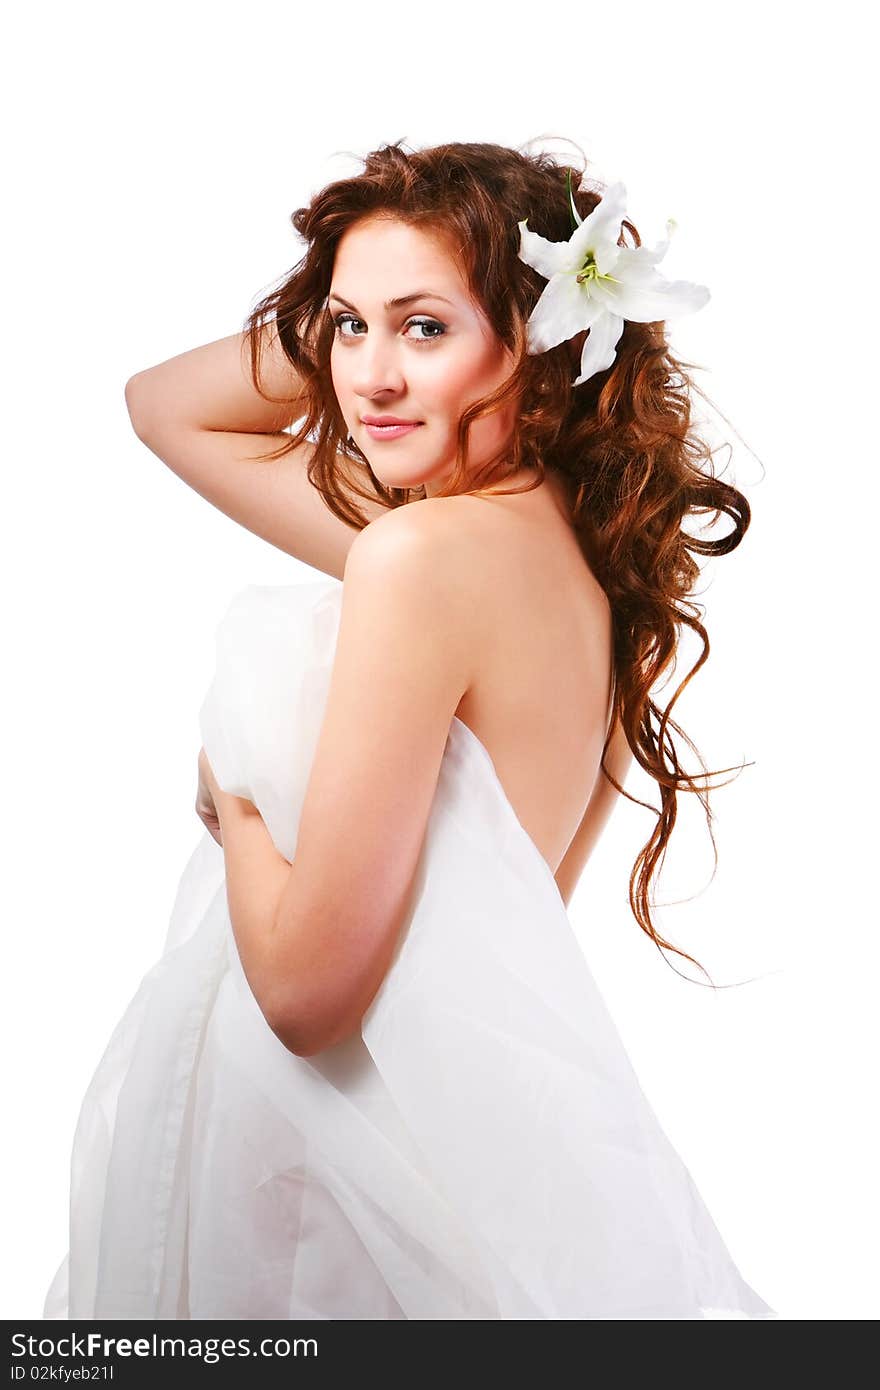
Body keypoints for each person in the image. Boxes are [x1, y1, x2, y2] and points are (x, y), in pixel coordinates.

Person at [42, 138, 775, 1319]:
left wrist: (232, 792)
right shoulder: (571, 570)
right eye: (347, 329)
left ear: (538, 346)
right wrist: (385, 302)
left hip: (329, 1193)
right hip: (442, 1159)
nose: (369, 377)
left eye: (425, 329)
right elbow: (162, 408)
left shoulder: (420, 561)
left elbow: (301, 997)